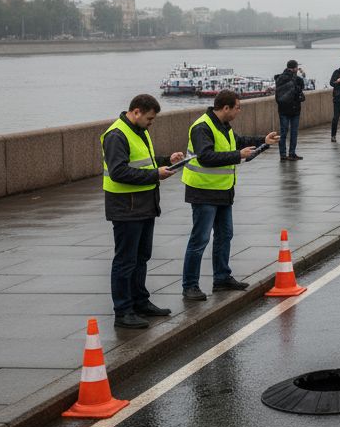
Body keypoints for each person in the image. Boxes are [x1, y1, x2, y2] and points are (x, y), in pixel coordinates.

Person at [181, 90, 279, 301]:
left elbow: (240, 141)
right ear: (225, 108)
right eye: (237, 107)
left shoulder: (223, 125)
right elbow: (206, 157)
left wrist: (264, 140)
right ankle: (190, 286)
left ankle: (222, 278)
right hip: (203, 192)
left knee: (225, 235)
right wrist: (237, 155)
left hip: (223, 191)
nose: (239, 111)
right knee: (200, 240)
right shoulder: (202, 127)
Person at [101, 94, 184, 329]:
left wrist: (167, 160)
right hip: (126, 207)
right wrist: (156, 174)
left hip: (144, 204)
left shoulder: (139, 130)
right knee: (125, 260)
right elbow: (119, 172)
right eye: (149, 118)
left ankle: (140, 302)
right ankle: (123, 311)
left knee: (141, 258)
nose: (151, 123)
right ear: (136, 112)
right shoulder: (116, 134)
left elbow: (143, 163)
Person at [274, 59, 305, 161]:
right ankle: (292, 153)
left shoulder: (279, 79)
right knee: (293, 132)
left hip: (283, 109)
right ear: (295, 68)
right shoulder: (297, 79)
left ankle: (283, 155)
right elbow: (301, 89)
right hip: (294, 109)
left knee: (283, 132)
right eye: (296, 67)